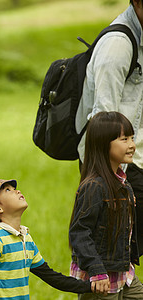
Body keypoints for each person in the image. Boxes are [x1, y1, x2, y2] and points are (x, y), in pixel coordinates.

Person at [75, 0, 143, 256]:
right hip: (117, 170)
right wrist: (111, 184)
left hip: (133, 164)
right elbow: (103, 119)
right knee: (109, 259)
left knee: (124, 259)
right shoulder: (117, 45)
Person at [0, 179, 92, 300]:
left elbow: (50, 276)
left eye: (14, 188)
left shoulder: (25, 239)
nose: (17, 191)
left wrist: (89, 287)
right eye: (8, 190)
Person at [69, 112, 143, 299]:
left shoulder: (123, 184)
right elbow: (79, 233)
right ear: (103, 144)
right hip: (100, 279)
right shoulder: (94, 186)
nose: (132, 145)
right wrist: (96, 270)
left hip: (123, 274)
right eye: (124, 139)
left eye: (132, 138)